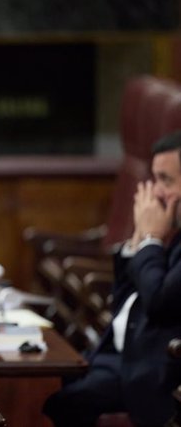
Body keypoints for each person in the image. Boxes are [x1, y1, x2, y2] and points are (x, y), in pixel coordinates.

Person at [43, 130, 181, 426]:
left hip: (151, 374)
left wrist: (151, 240)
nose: (156, 193)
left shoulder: (168, 238)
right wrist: (137, 241)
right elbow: (124, 300)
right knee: (49, 381)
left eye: (166, 181)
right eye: (154, 180)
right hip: (118, 355)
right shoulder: (173, 231)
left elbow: (158, 300)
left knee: (53, 403)